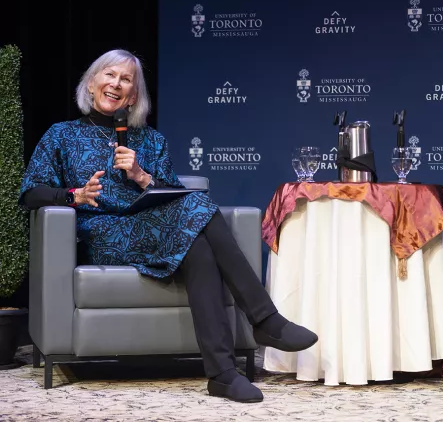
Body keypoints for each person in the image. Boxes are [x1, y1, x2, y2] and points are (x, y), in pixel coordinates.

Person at [19, 49, 318, 404]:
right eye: (109, 75)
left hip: (154, 227)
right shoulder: (62, 135)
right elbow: (30, 193)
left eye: (126, 80)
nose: (116, 84)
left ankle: (223, 374)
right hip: (102, 232)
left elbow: (174, 198)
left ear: (133, 96)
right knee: (199, 210)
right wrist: (75, 195)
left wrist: (141, 175)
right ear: (92, 82)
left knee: (199, 240)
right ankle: (264, 319)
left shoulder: (151, 140)